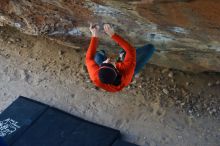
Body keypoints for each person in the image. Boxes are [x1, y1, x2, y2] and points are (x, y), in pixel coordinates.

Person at [86, 23, 155, 92]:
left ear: (99, 70)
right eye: (110, 63)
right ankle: (122, 57)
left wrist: (94, 35)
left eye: (104, 63)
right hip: (127, 71)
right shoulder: (127, 70)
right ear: (117, 70)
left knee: (97, 56)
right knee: (150, 48)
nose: (108, 59)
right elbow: (131, 50)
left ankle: (120, 57)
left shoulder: (95, 76)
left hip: (111, 71)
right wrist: (112, 34)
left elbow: (89, 58)